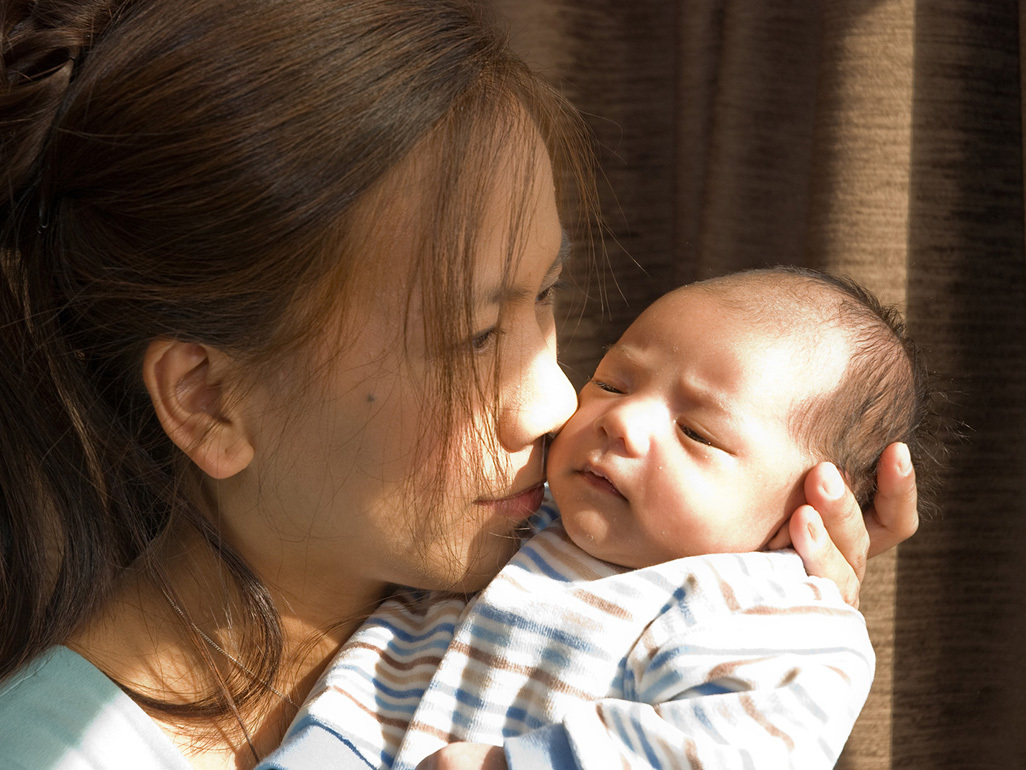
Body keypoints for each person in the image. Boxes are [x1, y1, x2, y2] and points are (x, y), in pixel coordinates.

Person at [0, 0, 920, 767]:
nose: (558, 403)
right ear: (208, 399)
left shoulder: (585, 575)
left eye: (548, 296)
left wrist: (749, 612)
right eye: (475, 335)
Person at [258, 267, 935, 770]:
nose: (621, 421)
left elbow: (733, 747)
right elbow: (384, 653)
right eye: (613, 382)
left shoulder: (770, 613)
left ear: (811, 505)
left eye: (696, 432)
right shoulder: (520, 511)